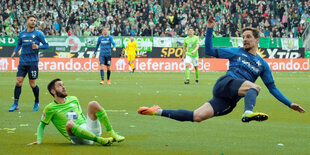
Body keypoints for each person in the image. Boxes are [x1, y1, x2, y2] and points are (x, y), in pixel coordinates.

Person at [138, 16, 306, 123]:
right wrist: (209, 29)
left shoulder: (263, 65)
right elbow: (210, 51)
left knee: (197, 116)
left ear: (257, 40)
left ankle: (157, 111)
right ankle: (248, 112)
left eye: (248, 37)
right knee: (255, 87)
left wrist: (289, 104)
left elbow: (273, 88)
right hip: (225, 84)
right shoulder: (236, 52)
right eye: (243, 37)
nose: (245, 40)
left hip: (229, 100)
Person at [28, 78, 125, 146]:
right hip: (78, 138)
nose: (63, 87)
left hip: (89, 129)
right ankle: (100, 140)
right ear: (53, 91)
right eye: (59, 86)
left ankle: (112, 133)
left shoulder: (73, 99)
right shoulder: (50, 108)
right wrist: (39, 140)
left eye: (63, 85)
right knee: (70, 123)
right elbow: (42, 125)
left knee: (93, 103)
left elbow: (79, 115)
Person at [9, 15, 49, 112]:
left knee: (32, 84)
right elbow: (19, 44)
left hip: (33, 63)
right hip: (22, 62)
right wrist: (15, 51)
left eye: (35, 20)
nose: (33, 22)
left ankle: (36, 101)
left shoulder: (39, 34)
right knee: (18, 82)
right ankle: (15, 104)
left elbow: (46, 45)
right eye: (31, 20)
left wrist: (38, 47)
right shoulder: (22, 34)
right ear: (27, 22)